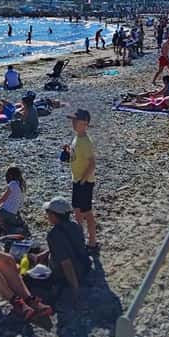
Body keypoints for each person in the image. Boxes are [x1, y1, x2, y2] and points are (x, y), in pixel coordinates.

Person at [30, 196, 92, 302]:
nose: (47, 215)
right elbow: (70, 247)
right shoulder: (76, 226)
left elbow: (66, 263)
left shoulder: (53, 235)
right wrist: (46, 253)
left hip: (70, 273)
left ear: (53, 215)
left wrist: (75, 290)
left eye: (48, 213)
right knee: (41, 253)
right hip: (84, 265)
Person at [68, 109, 99, 253]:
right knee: (77, 210)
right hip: (77, 179)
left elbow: (92, 163)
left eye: (76, 121)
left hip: (84, 181)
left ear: (85, 124)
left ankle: (92, 241)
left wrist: (83, 180)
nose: (73, 123)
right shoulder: (77, 138)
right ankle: (79, 237)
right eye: (73, 120)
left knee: (87, 212)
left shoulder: (85, 141)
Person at [0, 166, 26, 232]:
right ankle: (3, 225)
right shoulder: (20, 186)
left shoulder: (12, 184)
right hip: (12, 215)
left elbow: (2, 199)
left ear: (10, 175)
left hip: (5, 212)